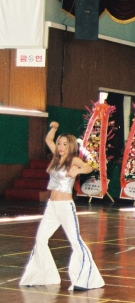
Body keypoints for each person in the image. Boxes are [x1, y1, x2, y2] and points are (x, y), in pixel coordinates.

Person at [20, 122, 105, 291]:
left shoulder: (73, 160)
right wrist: (54, 128)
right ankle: (45, 276)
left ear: (71, 146)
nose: (60, 146)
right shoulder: (56, 157)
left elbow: (89, 167)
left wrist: (77, 171)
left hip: (66, 207)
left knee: (75, 241)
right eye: (59, 143)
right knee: (41, 239)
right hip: (51, 207)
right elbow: (48, 139)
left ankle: (86, 279)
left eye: (64, 144)